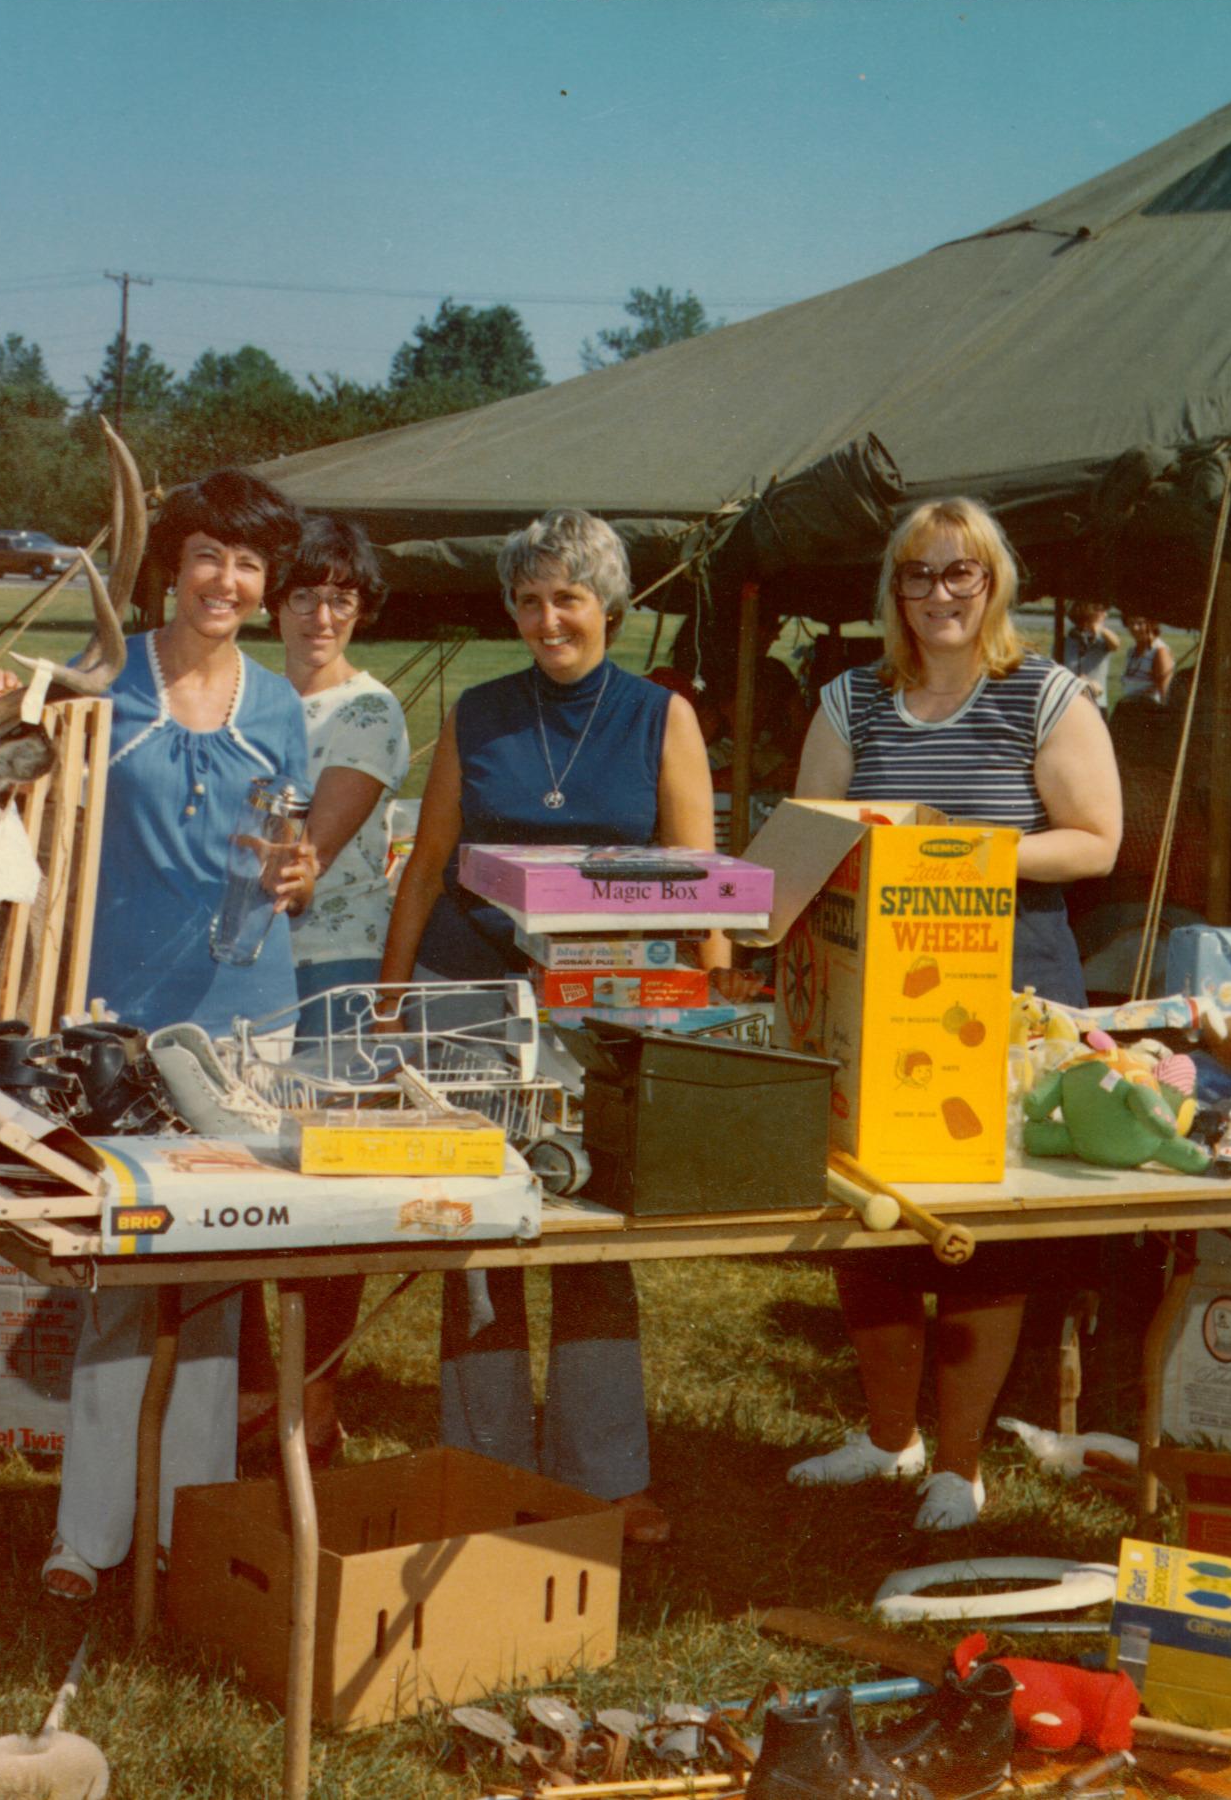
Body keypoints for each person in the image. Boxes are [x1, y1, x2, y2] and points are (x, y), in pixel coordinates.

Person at [377, 508, 736, 1545]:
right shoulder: (476, 709)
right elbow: (428, 863)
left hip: (604, 1000)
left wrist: (705, 1006)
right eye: (528, 599)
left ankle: (607, 1473)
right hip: (468, 991)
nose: (547, 618)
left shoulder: (659, 716)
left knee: (591, 1229)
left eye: (567, 597)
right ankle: (483, 1465)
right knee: (476, 1234)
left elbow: (700, 878)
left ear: (611, 610)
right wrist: (392, 999)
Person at [790, 497, 1122, 1530]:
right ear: (892, 590)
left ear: (992, 585)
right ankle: (890, 1437)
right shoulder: (851, 697)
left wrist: (957, 851)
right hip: (880, 983)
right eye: (917, 575)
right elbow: (809, 837)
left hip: (1009, 975)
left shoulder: (1044, 693)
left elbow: (1095, 838)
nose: (938, 594)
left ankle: (962, 1459)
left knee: (985, 1220)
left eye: (959, 574)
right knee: (874, 1203)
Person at [45, 468, 316, 1601]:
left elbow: (284, 847)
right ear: (170, 562)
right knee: (117, 1266)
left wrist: (297, 871)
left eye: (249, 564)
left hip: (245, 1015)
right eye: (209, 554)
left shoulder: (277, 707)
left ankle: (186, 1524)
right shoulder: (99, 683)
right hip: (112, 1015)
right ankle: (87, 1533)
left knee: (215, 1277)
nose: (227, 580)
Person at [237, 515, 411, 1465]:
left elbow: (307, 856)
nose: (321, 613)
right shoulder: (246, 695)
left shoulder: (369, 711)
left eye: (342, 596)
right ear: (276, 603)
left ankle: (317, 1402)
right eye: (304, 593)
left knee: (325, 1186)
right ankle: (254, 1386)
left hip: (335, 967)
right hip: (238, 969)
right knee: (234, 1180)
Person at [1060, 600, 1125, 712]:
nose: (1106, 614)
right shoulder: (1067, 640)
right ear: (1087, 612)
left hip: (1097, 702)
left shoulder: (1102, 639)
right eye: (1100, 610)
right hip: (1070, 701)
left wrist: (1101, 630)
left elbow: (1116, 644)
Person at [1118, 613, 1175, 705]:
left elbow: (1165, 695)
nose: (1135, 628)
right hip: (1130, 711)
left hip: (1149, 714)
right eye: (1131, 623)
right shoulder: (1131, 652)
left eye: (1140, 623)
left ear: (1152, 624)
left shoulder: (1159, 652)